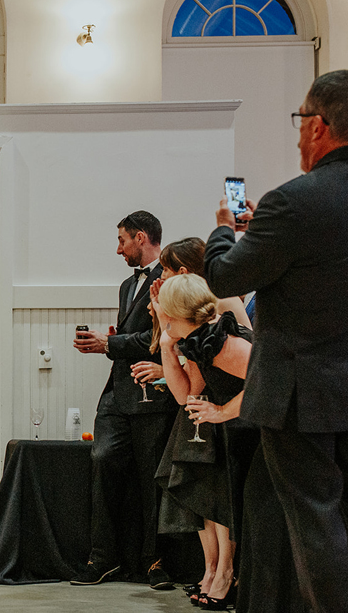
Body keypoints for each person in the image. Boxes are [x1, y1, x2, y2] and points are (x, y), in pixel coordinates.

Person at [203, 70, 348, 612]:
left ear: (317, 127)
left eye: (298, 123)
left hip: (300, 392)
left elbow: (222, 278)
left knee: (316, 520)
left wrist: (224, 229)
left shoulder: (292, 202)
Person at [130, 237, 251, 606]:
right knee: (204, 497)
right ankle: (212, 570)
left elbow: (267, 382)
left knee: (222, 499)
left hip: (246, 422)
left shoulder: (222, 339)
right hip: (216, 412)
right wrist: (167, 344)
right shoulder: (195, 339)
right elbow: (185, 395)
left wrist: (222, 411)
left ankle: (227, 573)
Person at [71, 211, 176, 589]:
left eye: (122, 240)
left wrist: (109, 343)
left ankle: (154, 561)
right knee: (102, 463)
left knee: (152, 482)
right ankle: (102, 558)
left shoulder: (172, 279)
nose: (118, 249)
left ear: (142, 238)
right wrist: (108, 344)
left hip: (153, 394)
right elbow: (132, 335)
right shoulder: (124, 286)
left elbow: (157, 337)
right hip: (117, 393)